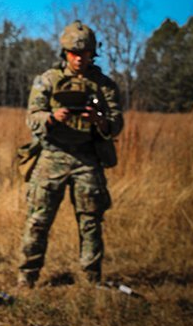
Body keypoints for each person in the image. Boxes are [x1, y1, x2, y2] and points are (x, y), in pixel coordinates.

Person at [17, 21, 124, 287]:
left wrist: (99, 120)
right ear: (64, 53)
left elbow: (116, 122)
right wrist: (52, 117)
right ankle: (27, 279)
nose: (79, 58)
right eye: (74, 53)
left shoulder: (104, 85)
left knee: (90, 222)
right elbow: (32, 117)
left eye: (85, 52)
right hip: (52, 155)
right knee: (38, 220)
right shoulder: (47, 81)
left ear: (92, 53)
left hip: (87, 158)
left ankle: (91, 280)